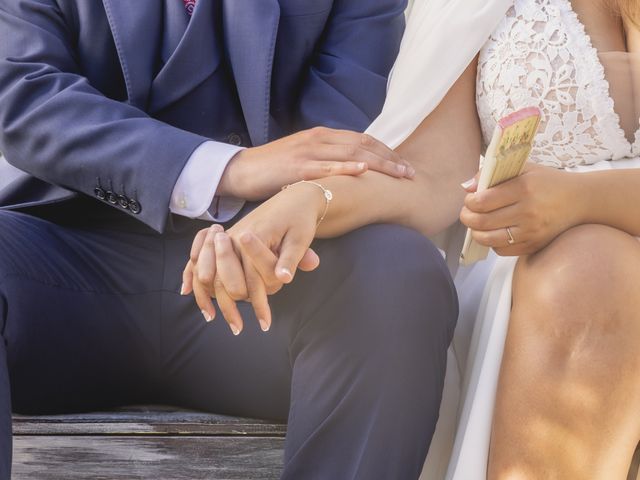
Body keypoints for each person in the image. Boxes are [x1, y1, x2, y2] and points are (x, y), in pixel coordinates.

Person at [0, 1, 463, 479]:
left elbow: (340, 139)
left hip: (271, 293)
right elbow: (25, 98)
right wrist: (227, 169)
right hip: (66, 270)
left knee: (400, 272)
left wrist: (266, 225)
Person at [366, 0, 640, 478]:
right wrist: (312, 199)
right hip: (541, 285)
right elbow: (428, 174)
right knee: (587, 275)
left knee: (592, 268)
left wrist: (581, 200)